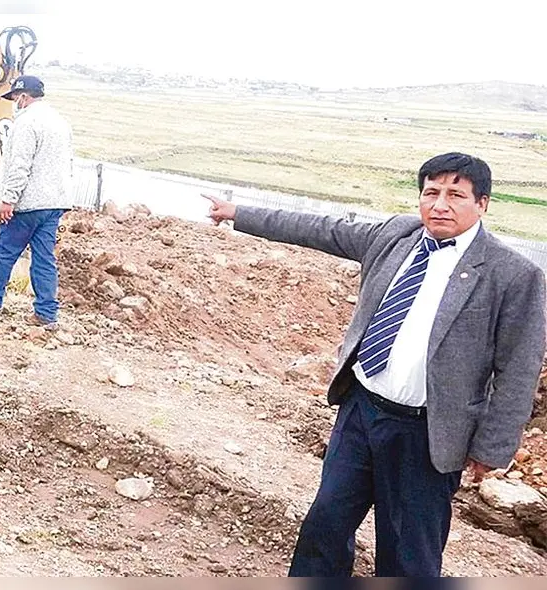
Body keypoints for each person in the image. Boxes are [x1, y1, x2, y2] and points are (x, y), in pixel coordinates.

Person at [203, 152, 546, 577]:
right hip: (361, 412)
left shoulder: (512, 274)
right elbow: (321, 230)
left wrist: (492, 448)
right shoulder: (396, 235)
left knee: (408, 554)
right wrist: (239, 213)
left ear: (483, 204)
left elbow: (518, 369)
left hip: (428, 434)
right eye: (431, 192)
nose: (439, 204)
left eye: (455, 195)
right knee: (325, 525)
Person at [0, 75, 76, 328]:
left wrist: (8, 199)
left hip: (28, 203)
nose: (14, 102)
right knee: (44, 258)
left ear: (23, 96)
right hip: (54, 202)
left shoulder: (26, 123)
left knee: (4, 252)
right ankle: (46, 313)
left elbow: (19, 165)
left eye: (14, 97)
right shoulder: (60, 122)